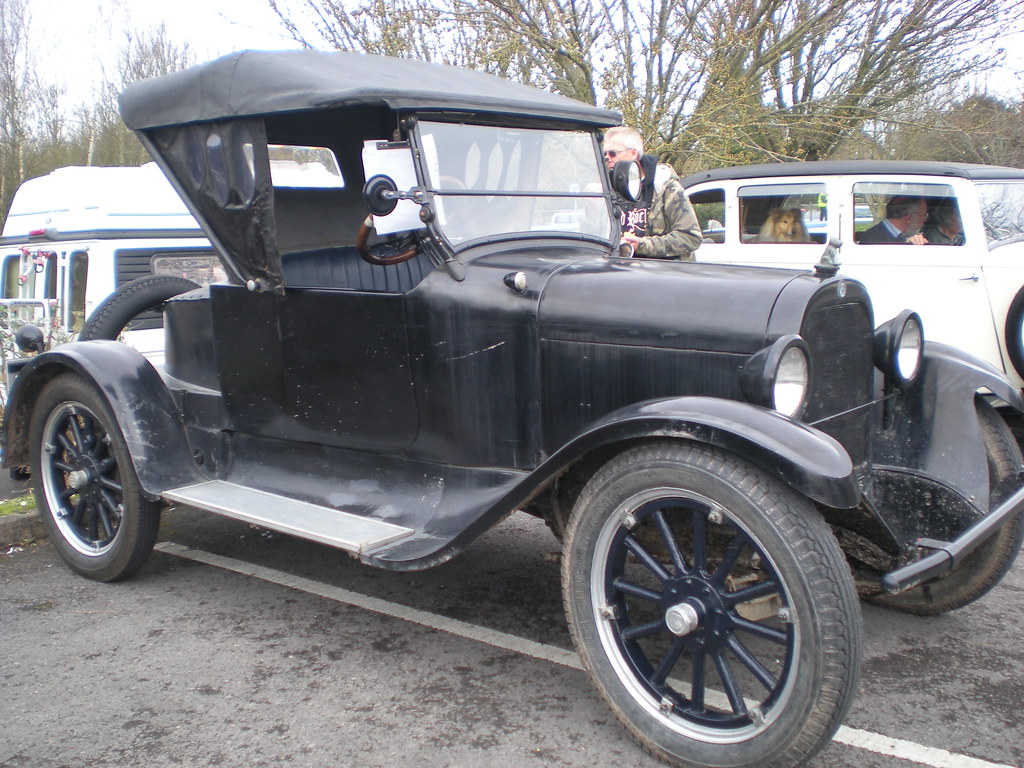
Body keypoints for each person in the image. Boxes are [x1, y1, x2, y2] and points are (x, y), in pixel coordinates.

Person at [603, 126, 702, 260]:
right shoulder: (606, 189)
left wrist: (642, 245)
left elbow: (690, 237)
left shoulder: (666, 187)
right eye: (605, 154)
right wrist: (592, 207)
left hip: (661, 273)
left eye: (613, 153)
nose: (607, 158)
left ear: (633, 153)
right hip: (619, 272)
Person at [859, 196, 929, 245]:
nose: (925, 219)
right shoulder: (873, 239)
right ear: (910, 218)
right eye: (924, 215)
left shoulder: (904, 235)